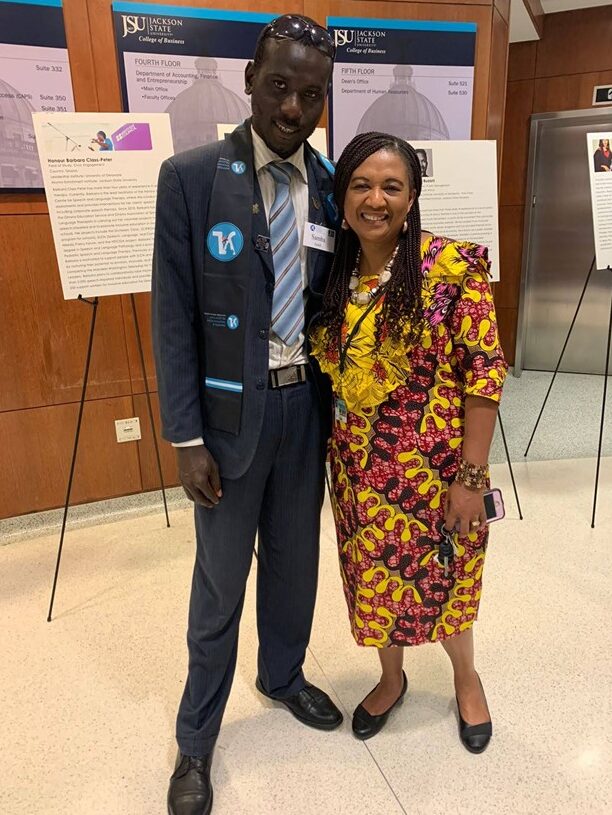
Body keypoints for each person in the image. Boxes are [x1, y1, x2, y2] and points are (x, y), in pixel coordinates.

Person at [152, 15, 341, 815]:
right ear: (249, 79)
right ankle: (196, 740)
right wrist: (187, 437)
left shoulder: (335, 184)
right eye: (279, 87)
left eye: (309, 95)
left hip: (307, 409)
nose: (292, 109)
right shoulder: (192, 177)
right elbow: (174, 316)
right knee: (220, 583)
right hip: (228, 426)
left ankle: (283, 673)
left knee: (295, 563)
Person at [310, 132, 508, 754]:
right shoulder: (333, 274)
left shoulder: (449, 268)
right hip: (358, 474)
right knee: (373, 580)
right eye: (361, 185)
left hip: (436, 472)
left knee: (447, 580)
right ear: (341, 195)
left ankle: (465, 678)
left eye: (391, 186)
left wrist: (470, 480)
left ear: (413, 195)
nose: (375, 199)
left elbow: (484, 378)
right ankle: (391, 678)